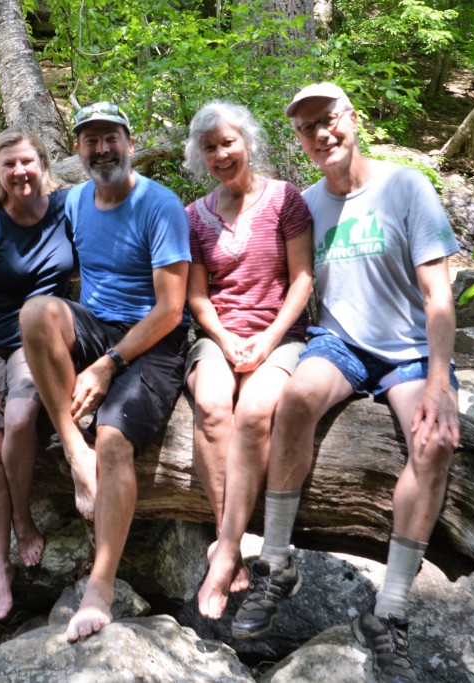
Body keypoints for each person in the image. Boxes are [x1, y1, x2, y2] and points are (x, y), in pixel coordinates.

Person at [231, 83, 460, 683]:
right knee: (298, 397)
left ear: (352, 118)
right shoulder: (305, 205)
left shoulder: (404, 186)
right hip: (340, 344)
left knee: (434, 443)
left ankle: (389, 612)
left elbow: (439, 296)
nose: (322, 134)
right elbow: (273, 282)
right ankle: (275, 564)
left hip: (409, 350)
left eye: (328, 120)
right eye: (308, 129)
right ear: (300, 141)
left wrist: (439, 382)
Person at [19, 101, 190, 643]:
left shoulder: (160, 205)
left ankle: (100, 586)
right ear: (78, 149)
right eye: (90, 140)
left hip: (154, 339)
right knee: (34, 313)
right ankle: (75, 457)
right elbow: (17, 227)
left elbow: (169, 309)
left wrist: (108, 365)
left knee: (115, 440)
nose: (101, 149)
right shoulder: (74, 202)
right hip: (97, 324)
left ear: (129, 141)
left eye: (110, 137)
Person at [181, 101, 313, 619]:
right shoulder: (194, 215)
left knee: (255, 414)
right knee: (213, 404)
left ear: (249, 143)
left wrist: (267, 338)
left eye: (228, 142)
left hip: (281, 335)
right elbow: (197, 297)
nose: (220, 153)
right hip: (218, 336)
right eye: (209, 147)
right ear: (200, 155)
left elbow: (303, 279)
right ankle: (227, 542)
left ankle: (227, 550)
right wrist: (225, 338)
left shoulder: (285, 200)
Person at [0, 127, 75, 622]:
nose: (19, 172)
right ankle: (0, 569)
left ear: (43, 162)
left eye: (26, 161)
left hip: (40, 338)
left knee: (23, 418)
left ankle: (24, 519)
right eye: (8, 165)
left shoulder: (68, 210)